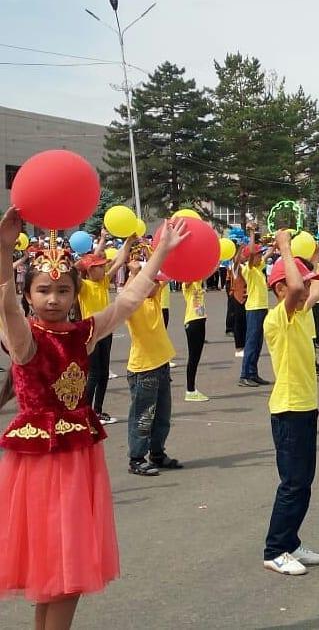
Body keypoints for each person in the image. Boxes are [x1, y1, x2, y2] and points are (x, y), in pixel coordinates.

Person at [0, 208, 186, 629]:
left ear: (76, 293)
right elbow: (6, 308)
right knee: (63, 570)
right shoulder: (26, 341)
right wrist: (3, 249)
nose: (53, 299)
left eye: (63, 290)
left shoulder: (83, 333)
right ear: (28, 294)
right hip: (44, 465)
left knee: (57, 574)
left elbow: (129, 299)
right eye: (43, 290)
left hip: (77, 459)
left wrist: (159, 254)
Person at [262, 230, 319, 576]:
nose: (304, 288)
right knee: (293, 482)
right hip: (288, 410)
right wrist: (285, 247)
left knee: (304, 480)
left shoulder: (301, 314)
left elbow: (312, 288)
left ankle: (291, 541)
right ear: (280, 289)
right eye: (296, 282)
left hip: (305, 407)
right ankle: (275, 549)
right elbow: (301, 289)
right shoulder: (279, 318)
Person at [124, 258, 185, 476]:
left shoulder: (155, 300)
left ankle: (157, 453)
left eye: (156, 283)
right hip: (143, 370)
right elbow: (126, 296)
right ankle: (137, 459)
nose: (156, 285)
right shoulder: (134, 306)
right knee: (142, 417)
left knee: (162, 416)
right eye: (152, 283)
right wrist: (133, 274)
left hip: (161, 366)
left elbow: (168, 275)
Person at [76, 231, 134, 424]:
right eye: (98, 267)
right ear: (90, 271)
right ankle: (86, 412)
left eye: (102, 267)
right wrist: (83, 263)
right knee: (92, 375)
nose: (103, 269)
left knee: (103, 373)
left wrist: (128, 241)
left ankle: (98, 411)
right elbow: (75, 271)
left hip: (106, 332)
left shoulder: (103, 283)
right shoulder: (83, 286)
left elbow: (118, 260)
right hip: (90, 334)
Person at [239, 223, 274, 387]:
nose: (260, 255)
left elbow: (267, 255)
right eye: (258, 254)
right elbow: (252, 252)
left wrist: (276, 245)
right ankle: (245, 374)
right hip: (253, 308)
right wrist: (252, 233)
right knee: (251, 342)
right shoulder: (249, 268)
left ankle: (253, 373)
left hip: (261, 308)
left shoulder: (258, 268)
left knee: (258, 343)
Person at [182, 280, 209, 401]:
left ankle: (192, 389)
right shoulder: (187, 283)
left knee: (196, 357)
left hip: (200, 320)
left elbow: (208, 272)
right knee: (193, 357)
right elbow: (187, 281)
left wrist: (217, 262)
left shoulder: (198, 282)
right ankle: (190, 390)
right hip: (192, 322)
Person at [228, 244, 247, 357]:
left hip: (247, 297)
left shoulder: (247, 266)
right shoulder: (235, 268)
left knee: (246, 323)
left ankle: (245, 346)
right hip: (238, 297)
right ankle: (239, 347)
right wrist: (239, 250)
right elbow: (235, 263)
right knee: (238, 323)